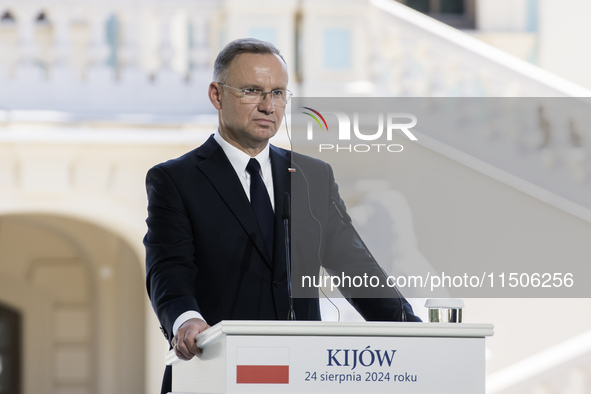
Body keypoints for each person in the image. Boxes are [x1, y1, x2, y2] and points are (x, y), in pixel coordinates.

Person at [144, 38, 420, 394]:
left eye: (278, 93)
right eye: (252, 90)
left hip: (298, 376)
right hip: (213, 374)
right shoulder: (175, 180)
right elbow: (168, 268)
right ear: (216, 95)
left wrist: (416, 331)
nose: (267, 105)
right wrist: (186, 320)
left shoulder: (313, 177)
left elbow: (358, 270)